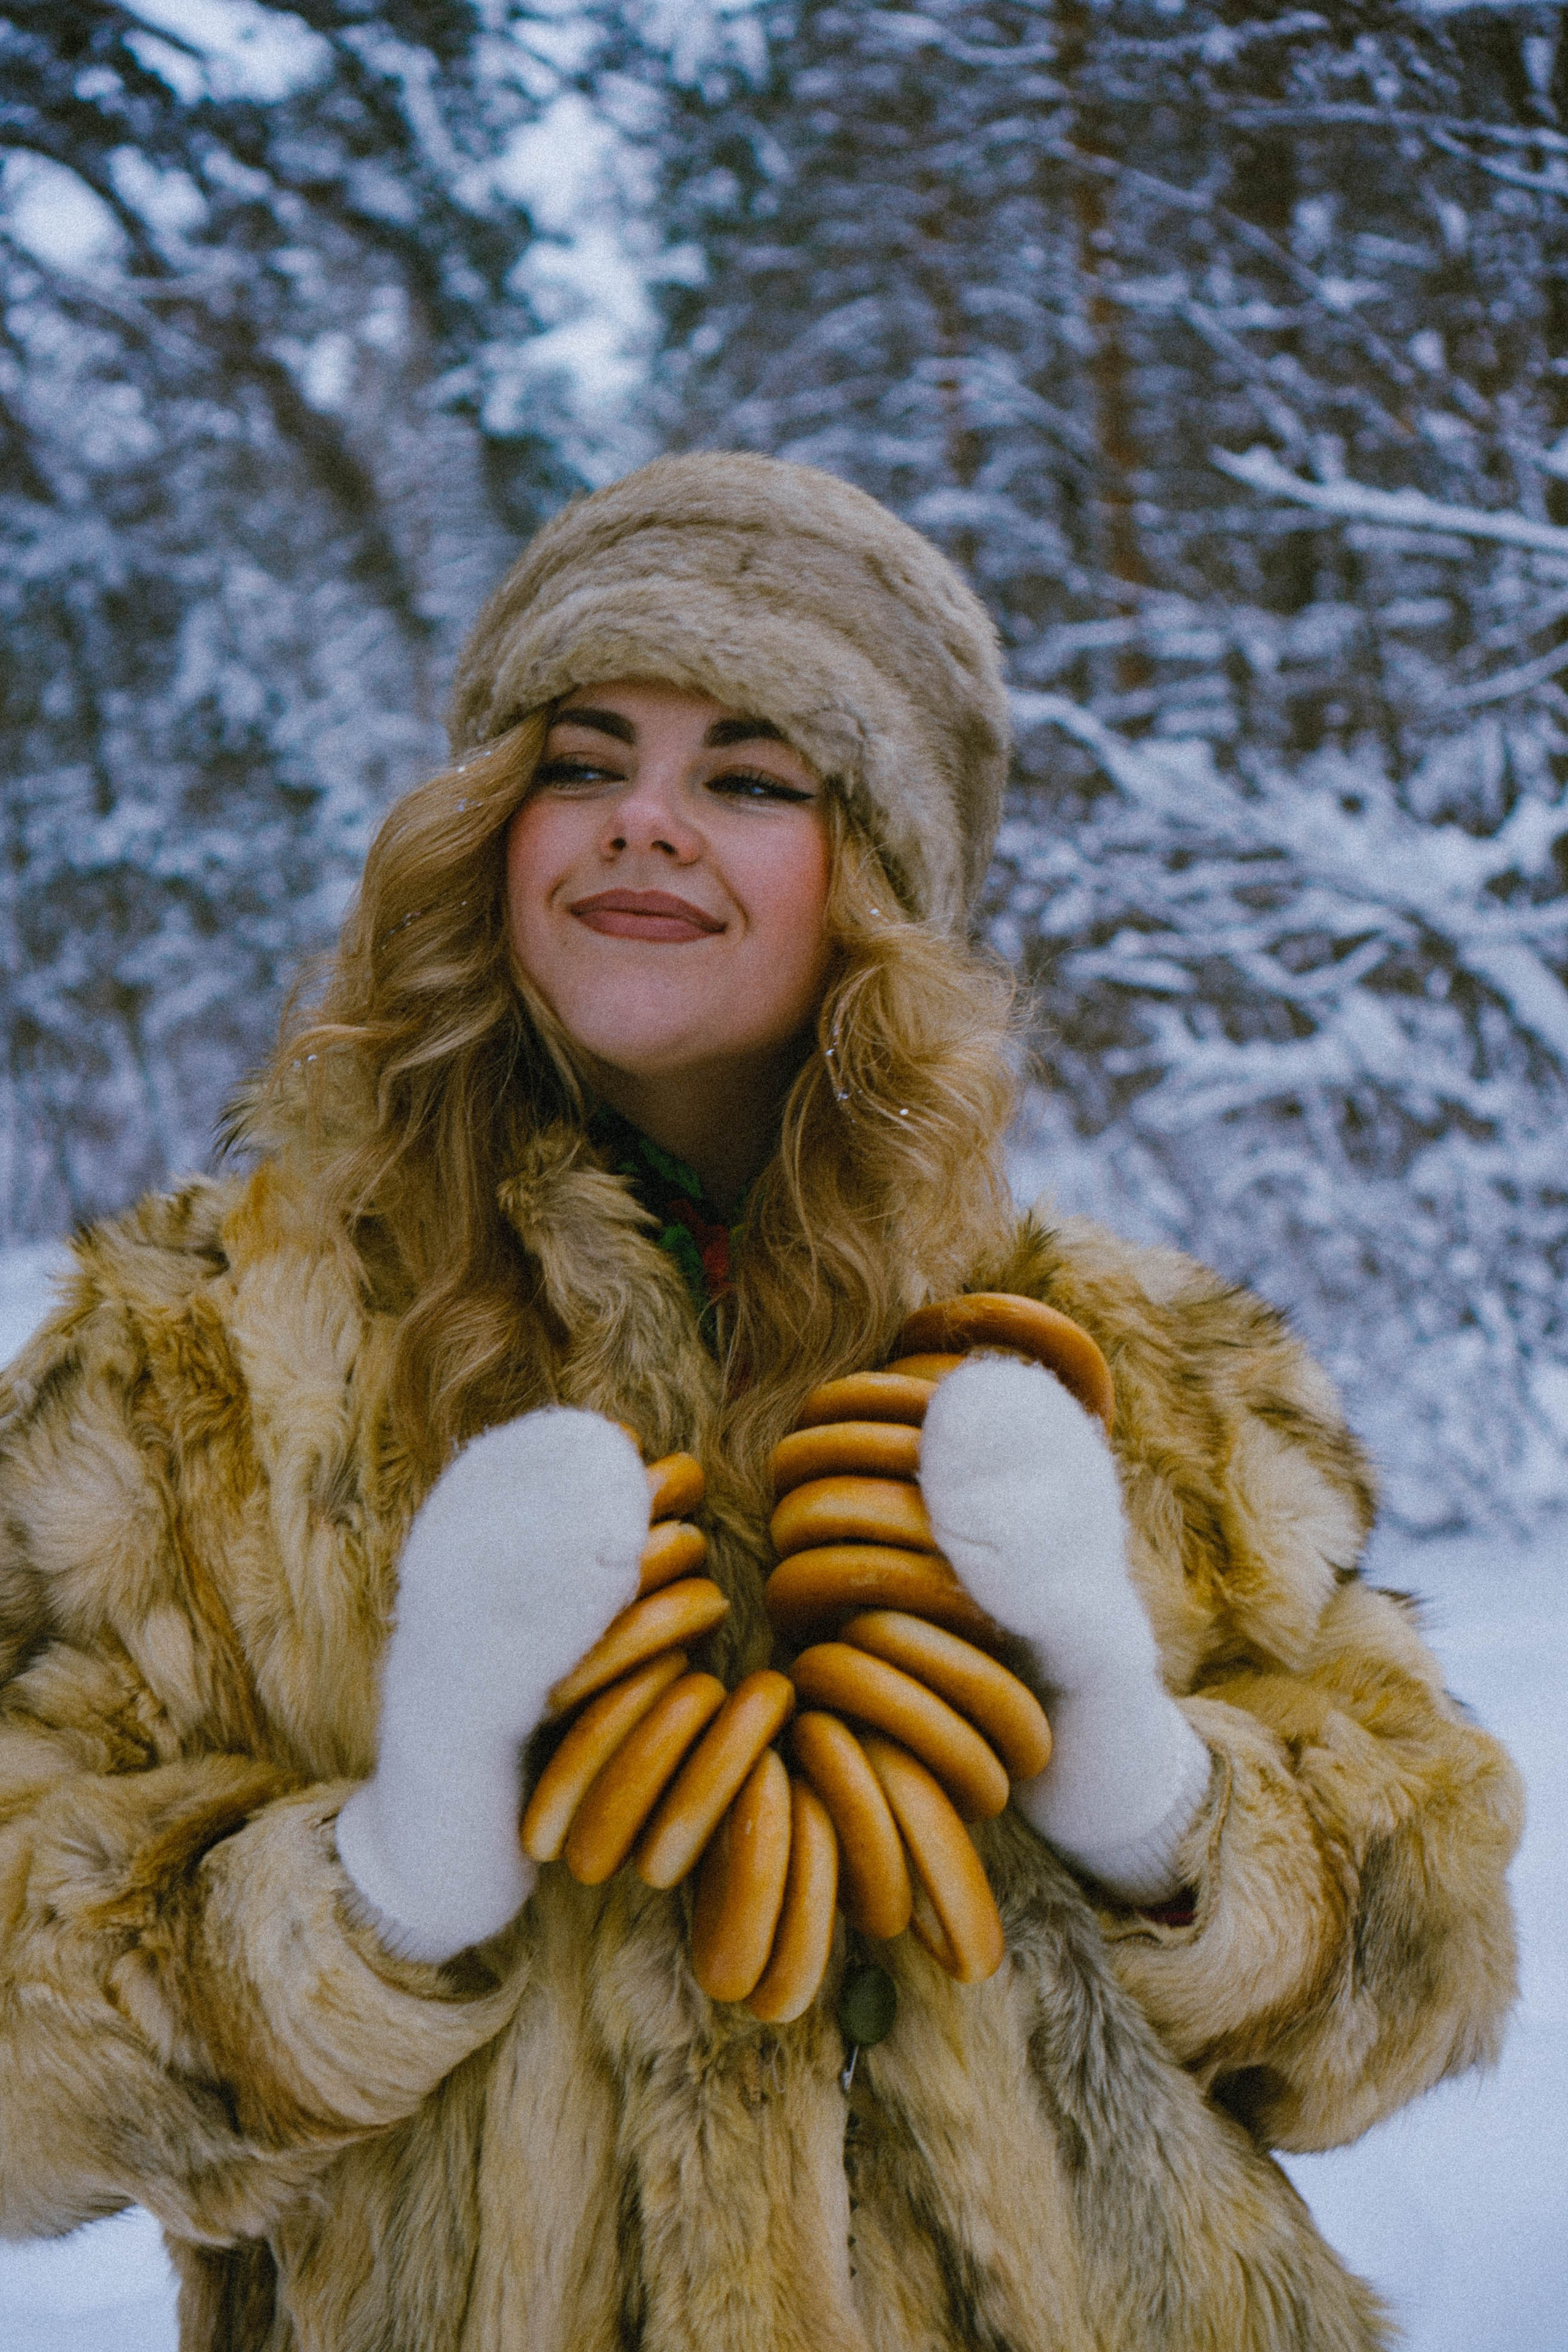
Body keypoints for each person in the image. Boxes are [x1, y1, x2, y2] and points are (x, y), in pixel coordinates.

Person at [0, 454, 1522, 2352]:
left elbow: (1426, 1973)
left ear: (875, 875)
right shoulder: (200, 1365)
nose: (645, 820)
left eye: (748, 776)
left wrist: (1137, 1761)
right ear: (489, 824)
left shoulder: (1137, 1366)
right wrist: (394, 1869)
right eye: (583, 758)